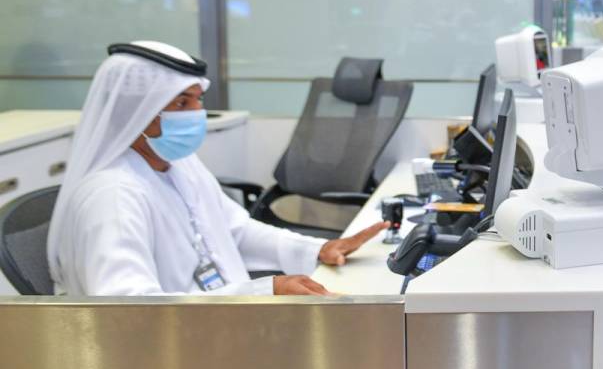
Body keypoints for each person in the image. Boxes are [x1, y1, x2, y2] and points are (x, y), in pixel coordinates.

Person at [48, 41, 387, 296]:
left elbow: (236, 230)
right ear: (137, 114)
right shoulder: (113, 197)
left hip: (217, 324)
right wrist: (262, 291)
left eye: (198, 100)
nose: (197, 113)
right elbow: (129, 307)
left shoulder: (179, 164)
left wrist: (316, 249)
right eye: (182, 102)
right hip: (164, 358)